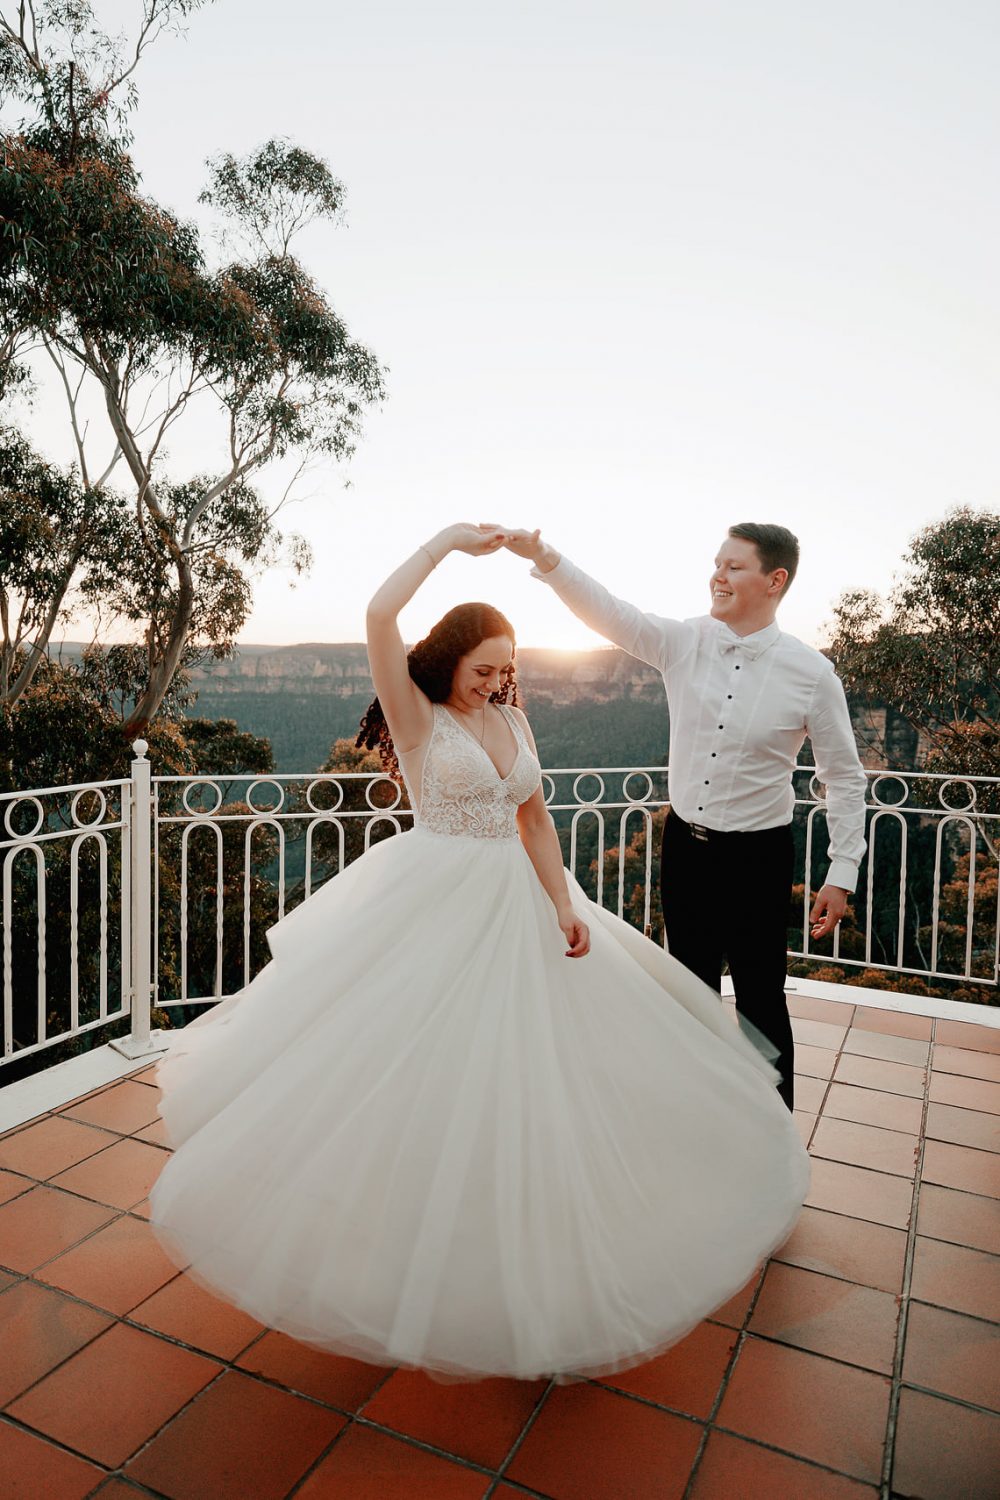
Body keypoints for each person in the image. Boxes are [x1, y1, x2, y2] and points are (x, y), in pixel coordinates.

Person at [149, 522, 809, 1381]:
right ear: (449, 657)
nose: (497, 681)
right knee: (417, 1074)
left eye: (507, 669)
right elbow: (379, 614)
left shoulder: (514, 721)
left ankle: (523, 1244)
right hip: (432, 905)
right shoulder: (416, 716)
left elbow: (534, 820)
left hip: (520, 906)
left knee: (536, 1074)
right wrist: (448, 544)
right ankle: (392, 1245)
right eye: (484, 667)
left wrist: (564, 903)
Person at [499, 523, 869, 1111]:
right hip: (686, 849)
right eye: (717, 563)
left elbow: (844, 776)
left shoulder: (812, 675)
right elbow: (611, 613)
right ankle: (697, 1123)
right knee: (689, 995)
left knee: (761, 1000)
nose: (717, 576)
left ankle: (773, 1136)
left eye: (734, 566)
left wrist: (842, 870)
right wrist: (545, 556)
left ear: (775, 580)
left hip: (758, 856)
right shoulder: (684, 641)